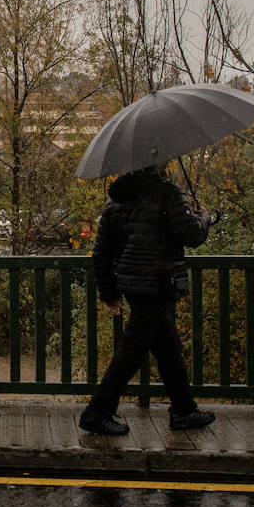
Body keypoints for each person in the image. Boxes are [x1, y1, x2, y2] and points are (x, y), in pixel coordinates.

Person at [80, 164, 215, 436]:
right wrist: (205, 217)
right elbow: (192, 235)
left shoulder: (116, 200)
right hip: (158, 282)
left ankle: (184, 410)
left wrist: (109, 294)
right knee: (131, 352)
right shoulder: (167, 192)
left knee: (167, 347)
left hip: (133, 284)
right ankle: (96, 412)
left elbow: (101, 254)